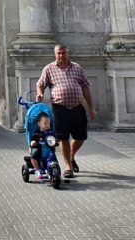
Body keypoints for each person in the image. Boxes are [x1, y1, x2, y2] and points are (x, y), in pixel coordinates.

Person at [35, 44, 95, 179]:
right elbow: (40, 84)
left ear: (68, 54)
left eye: (63, 53)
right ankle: (68, 166)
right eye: (59, 53)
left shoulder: (77, 68)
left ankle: (71, 156)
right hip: (59, 108)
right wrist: (40, 94)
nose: (61, 55)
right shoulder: (49, 68)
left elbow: (85, 88)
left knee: (80, 137)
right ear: (55, 54)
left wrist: (91, 108)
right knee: (63, 137)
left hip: (77, 107)